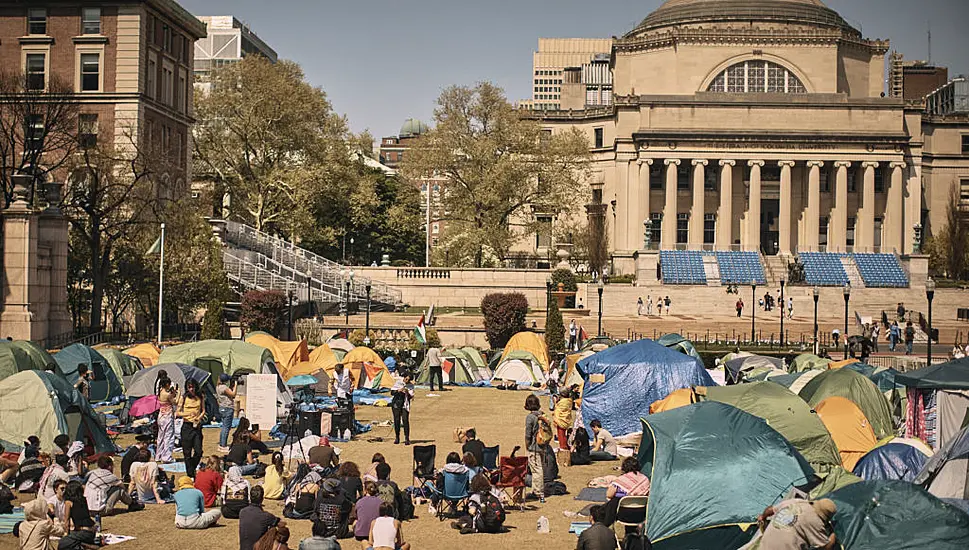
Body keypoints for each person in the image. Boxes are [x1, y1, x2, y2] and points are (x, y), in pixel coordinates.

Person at [757, 498, 837, 550]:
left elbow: (770, 509)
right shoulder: (817, 522)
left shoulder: (795, 501)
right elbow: (826, 547)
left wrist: (763, 516)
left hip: (763, 546)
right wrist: (835, 533)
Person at [602, 457, 651, 526]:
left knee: (613, 501)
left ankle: (604, 526)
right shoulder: (645, 480)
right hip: (640, 515)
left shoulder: (621, 480)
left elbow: (609, 494)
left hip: (623, 515)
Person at [239, 486, 285, 550]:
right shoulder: (266, 516)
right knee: (273, 530)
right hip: (258, 548)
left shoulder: (242, 512)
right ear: (262, 499)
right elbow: (282, 524)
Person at [176, 378, 206, 478]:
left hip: (196, 426)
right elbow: (177, 412)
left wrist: (199, 417)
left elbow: (203, 410)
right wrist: (188, 413)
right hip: (187, 426)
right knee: (187, 453)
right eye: (189, 387)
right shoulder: (184, 398)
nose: (191, 389)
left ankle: (192, 467)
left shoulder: (200, 396)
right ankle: (190, 474)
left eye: (193, 387)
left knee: (198, 451)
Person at [523, 394, 548, 503]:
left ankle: (538, 492)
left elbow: (528, 434)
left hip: (534, 447)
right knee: (538, 468)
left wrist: (527, 445)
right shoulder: (542, 415)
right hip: (542, 445)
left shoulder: (530, 417)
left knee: (536, 470)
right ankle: (537, 490)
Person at [60, 480, 96, 550]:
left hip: (83, 531)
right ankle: (84, 544)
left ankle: (82, 545)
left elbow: (66, 521)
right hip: (92, 532)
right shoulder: (84, 499)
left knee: (62, 543)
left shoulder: (68, 502)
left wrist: (66, 534)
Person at [155, 373, 178, 463]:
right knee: (169, 437)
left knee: (161, 436)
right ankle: (167, 457)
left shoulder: (161, 391)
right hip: (167, 417)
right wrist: (178, 393)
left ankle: (158, 456)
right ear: (167, 384)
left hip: (161, 416)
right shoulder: (167, 394)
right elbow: (174, 402)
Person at [351, 481, 383, 545]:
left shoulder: (359, 502)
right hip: (376, 534)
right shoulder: (381, 502)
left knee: (355, 522)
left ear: (365, 490)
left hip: (360, 534)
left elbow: (355, 517)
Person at [390, 374, 414, 445]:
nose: (407, 381)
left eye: (408, 380)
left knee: (405, 420)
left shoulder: (410, 386)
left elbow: (411, 397)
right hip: (396, 403)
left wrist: (407, 392)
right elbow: (392, 392)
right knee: (396, 420)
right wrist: (398, 390)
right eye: (406, 379)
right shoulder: (398, 382)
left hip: (405, 404)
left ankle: (407, 438)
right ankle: (397, 437)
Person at [216, 374, 237, 453]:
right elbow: (233, 394)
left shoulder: (218, 387)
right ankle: (223, 446)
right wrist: (235, 385)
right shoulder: (224, 388)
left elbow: (229, 395)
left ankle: (221, 444)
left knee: (224, 427)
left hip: (222, 408)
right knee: (226, 428)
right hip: (228, 408)